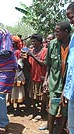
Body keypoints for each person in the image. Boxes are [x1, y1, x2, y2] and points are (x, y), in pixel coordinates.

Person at [44, 21, 71, 134]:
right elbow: (48, 64)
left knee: (65, 111)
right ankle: (50, 131)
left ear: (66, 32)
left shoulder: (72, 45)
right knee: (52, 109)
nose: (55, 33)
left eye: (58, 31)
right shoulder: (53, 44)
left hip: (69, 85)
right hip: (54, 83)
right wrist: (46, 80)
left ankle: (60, 131)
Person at [62, 2, 74, 134]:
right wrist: (66, 89)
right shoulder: (73, 39)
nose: (71, 22)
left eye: (72, 17)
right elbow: (71, 67)